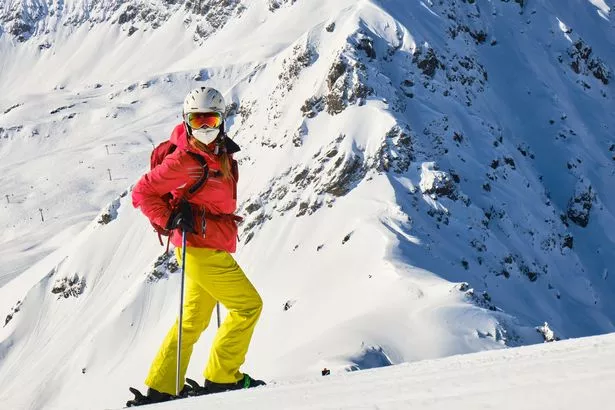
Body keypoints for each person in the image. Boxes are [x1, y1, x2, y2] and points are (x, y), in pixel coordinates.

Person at [129, 87, 264, 406]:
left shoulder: (219, 152)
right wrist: (169, 217)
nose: (205, 127)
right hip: (200, 245)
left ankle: (163, 385)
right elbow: (142, 192)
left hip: (205, 242)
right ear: (186, 122)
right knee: (248, 306)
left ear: (222, 120)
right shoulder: (186, 160)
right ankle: (223, 377)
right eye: (197, 120)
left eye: (211, 119)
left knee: (192, 320)